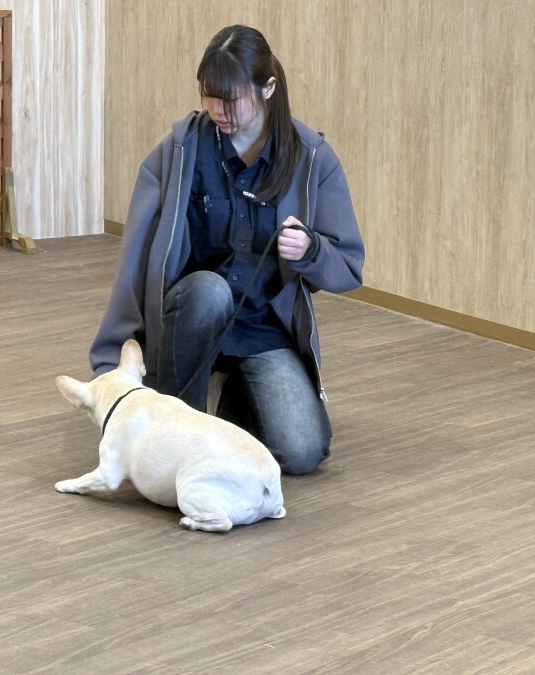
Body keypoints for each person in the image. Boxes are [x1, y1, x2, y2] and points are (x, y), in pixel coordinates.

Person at [90, 25, 364, 475]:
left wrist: (311, 250)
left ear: (268, 88)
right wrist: (111, 359)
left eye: (230, 99)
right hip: (189, 318)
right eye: (209, 96)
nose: (217, 110)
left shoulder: (312, 158)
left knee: (302, 452)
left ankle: (230, 395)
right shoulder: (181, 150)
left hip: (262, 330)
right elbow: (136, 259)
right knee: (209, 291)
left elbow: (349, 267)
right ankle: (176, 423)